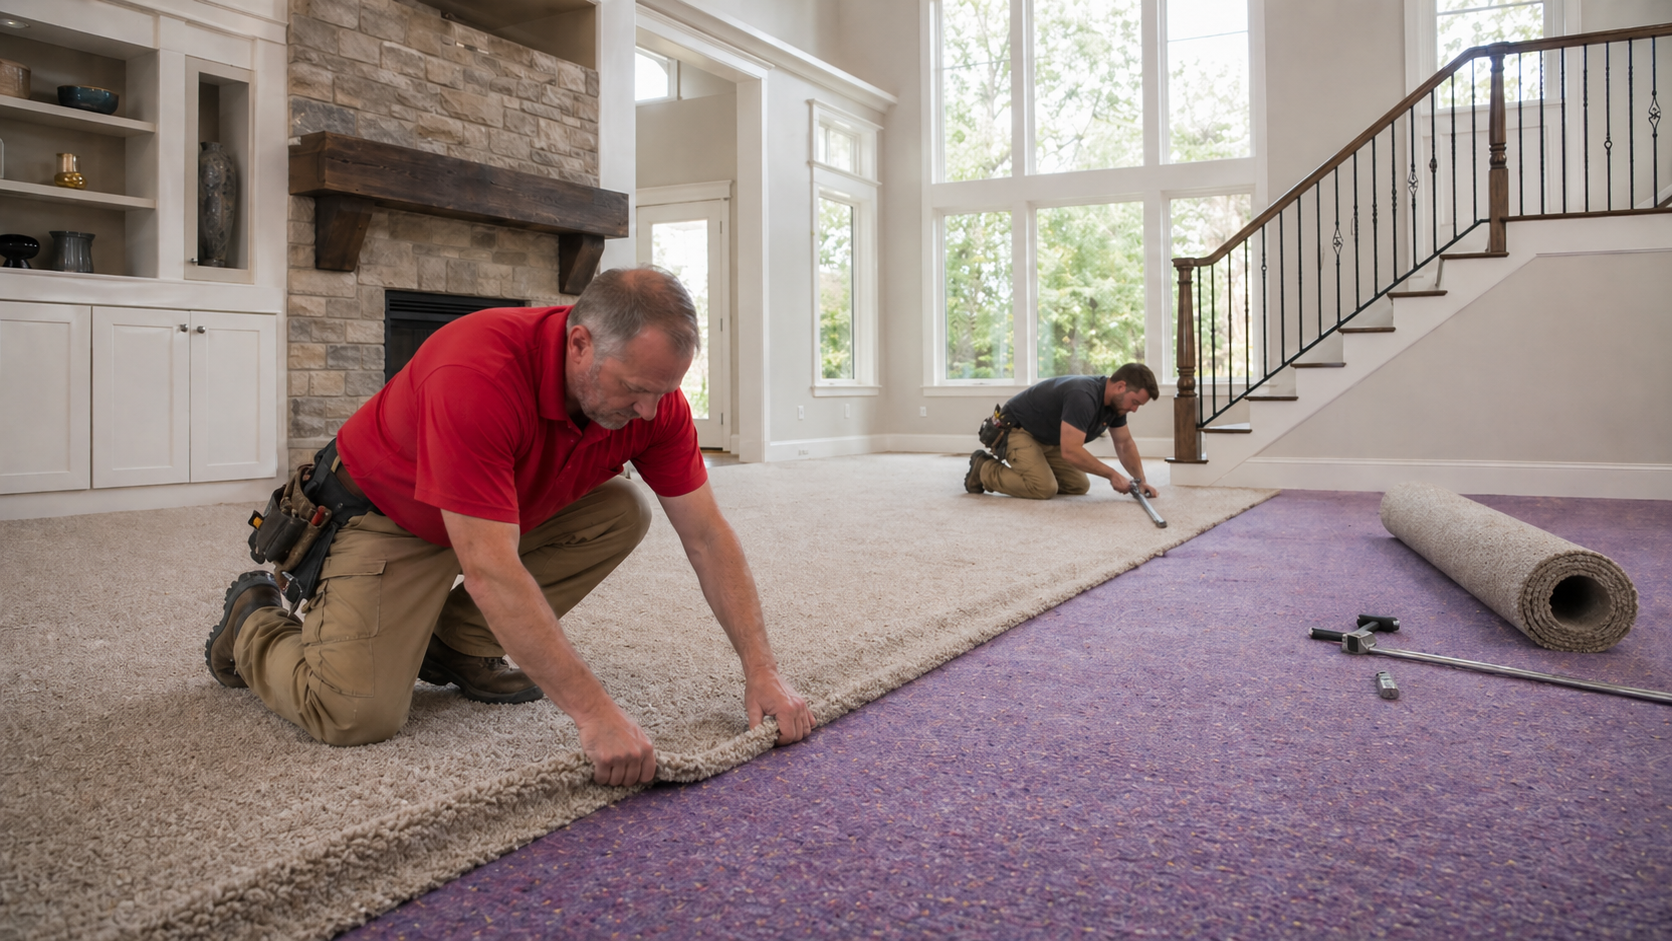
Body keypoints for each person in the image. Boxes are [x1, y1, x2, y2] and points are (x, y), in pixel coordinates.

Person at [206, 267, 813, 786]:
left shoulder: (656, 403)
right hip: (388, 514)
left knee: (623, 509)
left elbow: (706, 535)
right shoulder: (477, 372)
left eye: (666, 391)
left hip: (500, 509)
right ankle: (253, 619)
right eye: (634, 389)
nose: (650, 412)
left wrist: (763, 670)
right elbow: (491, 568)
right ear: (579, 343)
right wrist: (595, 714)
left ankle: (459, 642)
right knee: (351, 713)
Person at [965, 363, 1161, 501]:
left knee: (1079, 486)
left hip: (1047, 439)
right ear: (1121, 387)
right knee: (1044, 488)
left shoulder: (1115, 406)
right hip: (1016, 430)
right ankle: (983, 469)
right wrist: (1112, 474)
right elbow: (1070, 451)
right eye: (1135, 402)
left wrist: (1141, 481)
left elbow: (1124, 444)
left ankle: (1036, 467)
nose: (1134, 409)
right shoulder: (1083, 395)